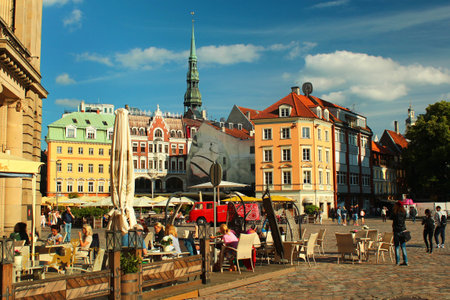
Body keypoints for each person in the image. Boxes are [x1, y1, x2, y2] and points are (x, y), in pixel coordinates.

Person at [392, 201, 408, 266]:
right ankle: (405, 260)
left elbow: (390, 217)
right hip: (403, 230)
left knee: (397, 246)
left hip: (396, 230)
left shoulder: (395, 212)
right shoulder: (404, 212)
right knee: (403, 246)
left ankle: (397, 261)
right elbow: (404, 219)